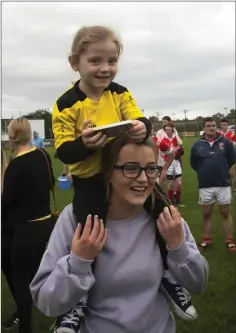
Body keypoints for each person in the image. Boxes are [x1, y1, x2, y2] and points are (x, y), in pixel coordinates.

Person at [51, 25, 195, 331]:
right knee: (91, 227)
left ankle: (168, 276)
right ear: (75, 62)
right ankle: (77, 303)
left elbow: (139, 116)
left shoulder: (120, 93)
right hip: (92, 179)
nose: (105, 69)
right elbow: (63, 151)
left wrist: (142, 126)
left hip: (130, 172)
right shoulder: (65, 104)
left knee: (162, 210)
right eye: (96, 61)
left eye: (112, 61)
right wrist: (84, 145)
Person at [31, 135, 208, 333]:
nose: (143, 179)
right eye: (130, 168)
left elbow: (198, 284)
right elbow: (47, 302)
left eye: (151, 168)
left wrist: (178, 247)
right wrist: (78, 262)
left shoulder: (165, 218)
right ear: (108, 172)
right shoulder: (76, 219)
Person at [1, 118, 55, 333]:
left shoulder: (16, 164)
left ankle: (25, 326)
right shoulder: (42, 155)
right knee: (35, 272)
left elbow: (7, 202)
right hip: (46, 223)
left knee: (20, 279)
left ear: (12, 136)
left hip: (27, 228)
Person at [190, 117, 236, 252]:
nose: (211, 128)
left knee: (225, 212)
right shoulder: (197, 144)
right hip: (205, 185)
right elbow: (194, 163)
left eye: (213, 125)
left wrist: (221, 169)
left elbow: (232, 159)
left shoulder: (225, 142)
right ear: (203, 128)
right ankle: (206, 239)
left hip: (223, 183)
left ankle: (229, 240)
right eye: (208, 126)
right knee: (206, 213)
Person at [159, 123, 184, 206]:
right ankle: (171, 202)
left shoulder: (175, 138)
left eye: (169, 129)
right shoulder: (164, 140)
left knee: (179, 183)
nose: (168, 131)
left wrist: (176, 134)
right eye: (166, 130)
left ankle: (178, 201)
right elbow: (162, 153)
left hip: (177, 162)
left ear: (173, 129)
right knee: (170, 184)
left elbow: (180, 144)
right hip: (169, 162)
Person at [219, 118, 236, 192]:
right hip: (222, 157)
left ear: (227, 125)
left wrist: (232, 144)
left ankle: (231, 190)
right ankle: (223, 189)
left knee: (232, 174)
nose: (223, 126)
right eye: (222, 125)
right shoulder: (219, 134)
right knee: (223, 174)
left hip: (231, 157)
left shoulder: (232, 134)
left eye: (225, 125)